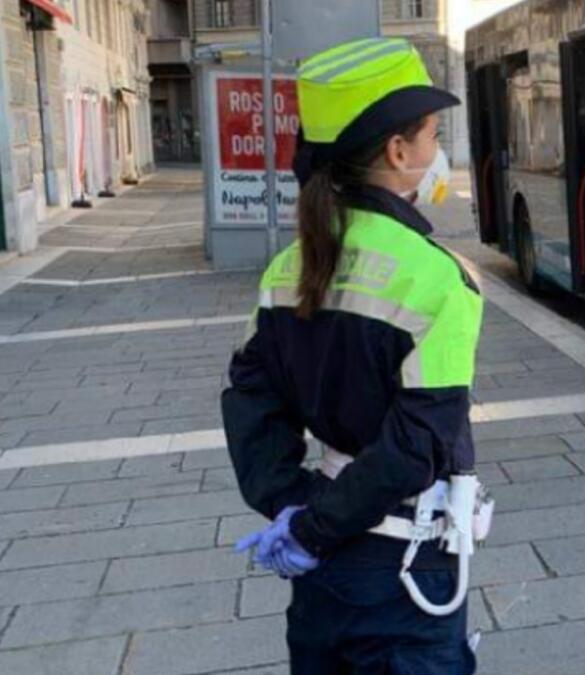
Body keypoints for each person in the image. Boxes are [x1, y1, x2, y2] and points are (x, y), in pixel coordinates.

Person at [221, 37, 482, 675]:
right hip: (405, 568)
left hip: (321, 570)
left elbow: (250, 400)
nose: (434, 153)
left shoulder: (287, 268)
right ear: (398, 150)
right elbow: (416, 445)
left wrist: (291, 506)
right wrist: (312, 530)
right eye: (429, 135)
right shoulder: (439, 277)